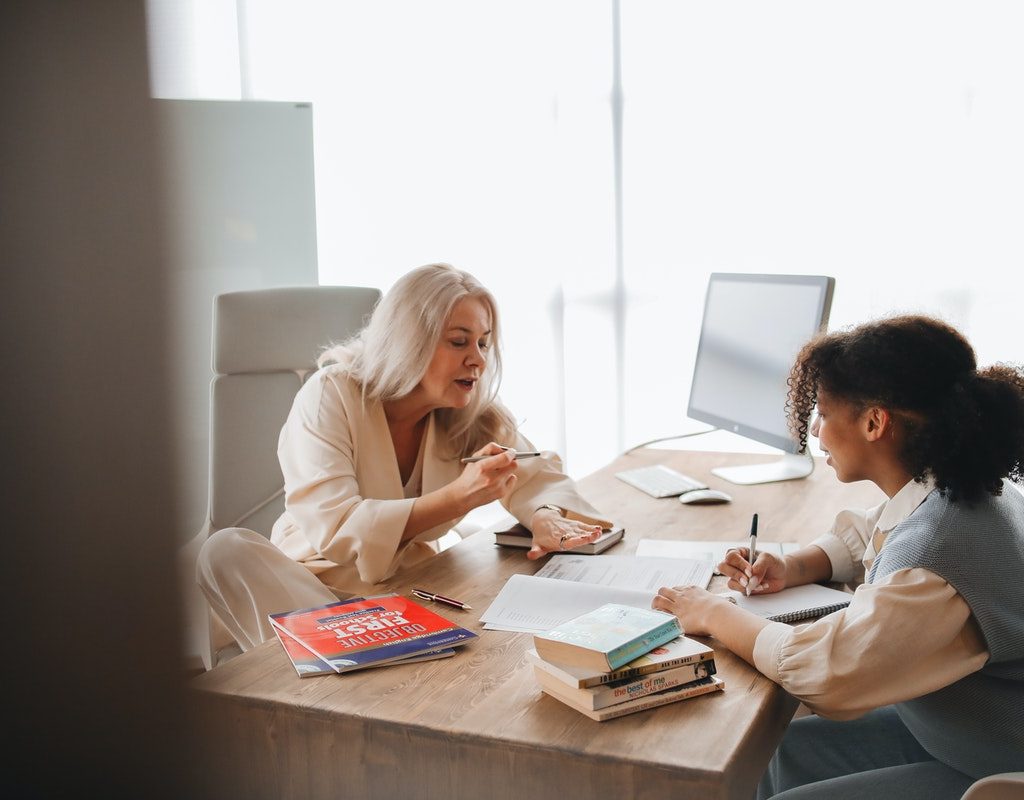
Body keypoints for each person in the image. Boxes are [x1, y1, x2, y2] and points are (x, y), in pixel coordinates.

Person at [651, 315, 1024, 799]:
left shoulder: (936, 566)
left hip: (997, 765)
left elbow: (827, 673)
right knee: (780, 749)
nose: (815, 430)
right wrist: (794, 566)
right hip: (956, 732)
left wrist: (713, 613)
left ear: (875, 422)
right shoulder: (963, 490)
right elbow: (879, 530)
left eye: (823, 414)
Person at [198, 263, 611, 653]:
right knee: (226, 550)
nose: (478, 359)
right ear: (410, 339)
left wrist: (544, 517)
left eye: (483, 342)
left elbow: (534, 473)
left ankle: (364, 659)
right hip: (311, 585)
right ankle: (350, 656)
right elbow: (337, 528)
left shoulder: (472, 416)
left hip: (407, 591)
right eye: (459, 341)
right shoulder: (331, 395)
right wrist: (457, 499)